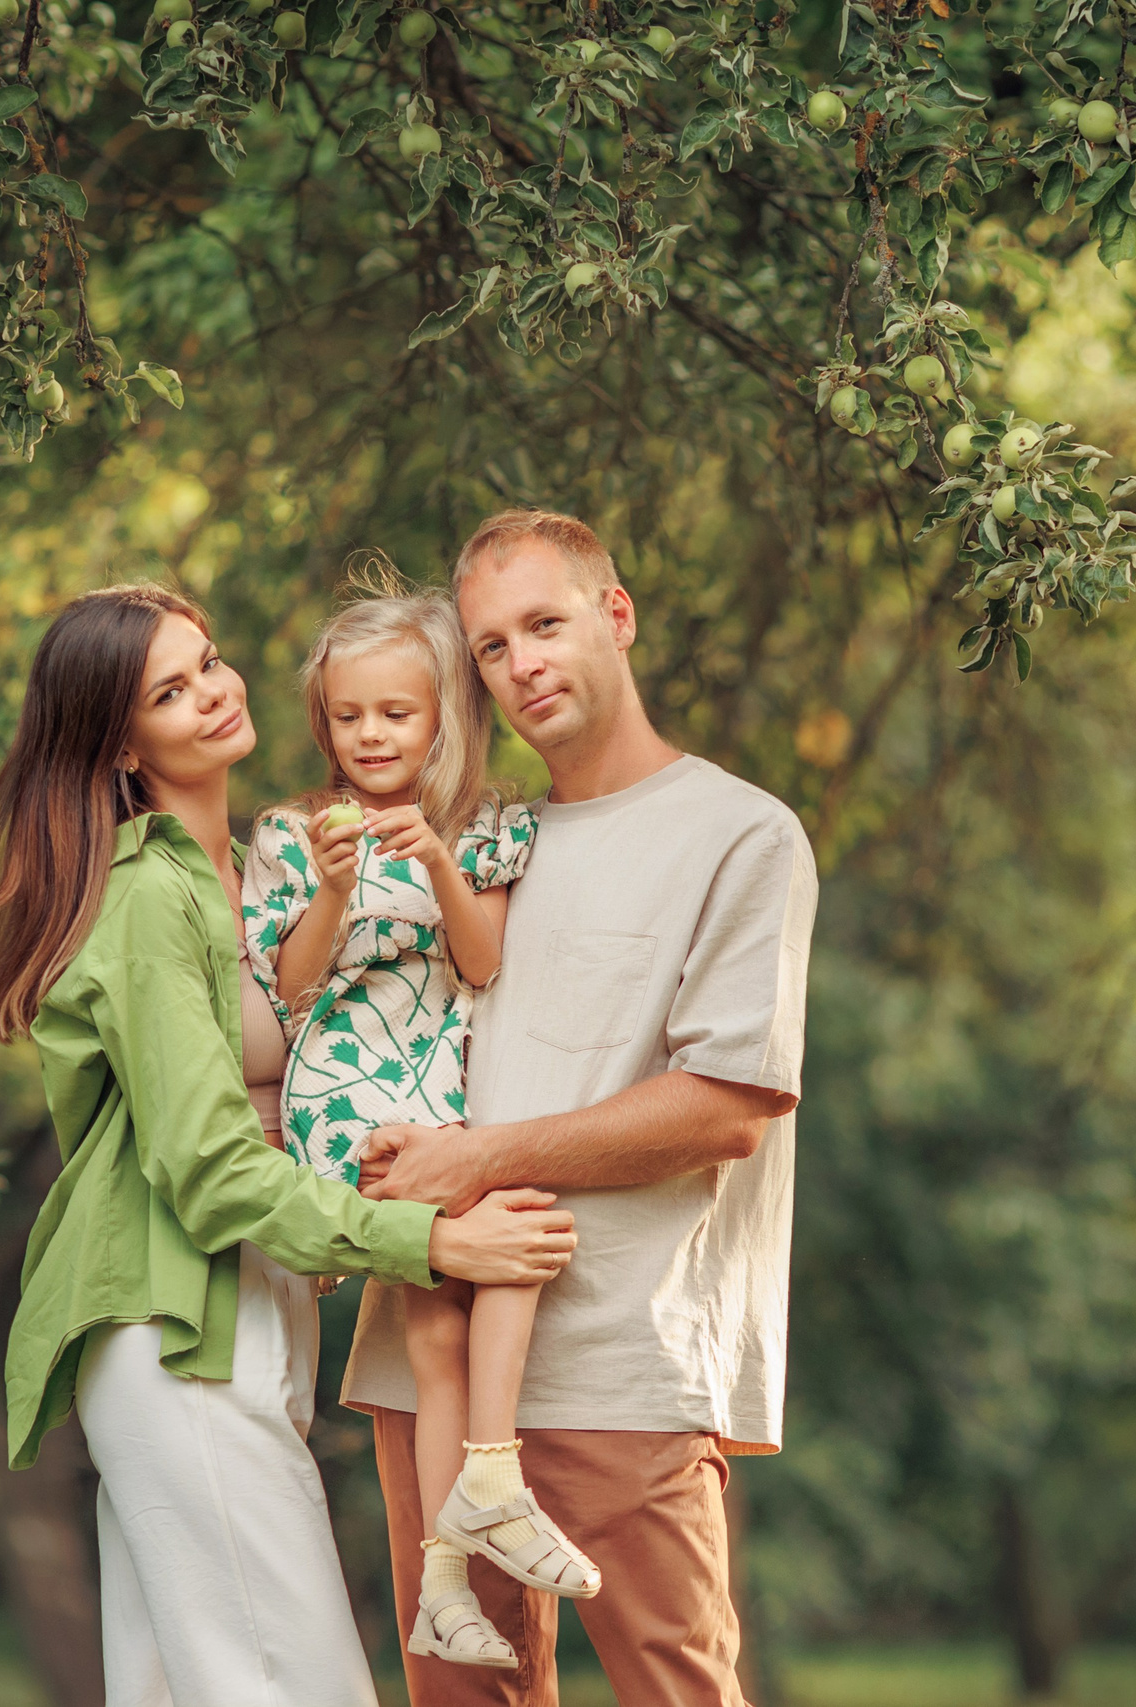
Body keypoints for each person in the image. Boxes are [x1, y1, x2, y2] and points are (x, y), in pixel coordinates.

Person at [0, 582, 581, 1707]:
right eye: (169, 691)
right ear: (117, 744)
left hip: (244, 1317)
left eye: (210, 660)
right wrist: (432, 1243)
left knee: (171, 1688)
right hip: (176, 1333)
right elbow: (207, 1167)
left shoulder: (252, 871)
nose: (212, 694)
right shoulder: (146, 898)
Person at [343, 511, 820, 1707]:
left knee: (679, 1693)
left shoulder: (740, 834)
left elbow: (725, 1108)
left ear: (617, 615)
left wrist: (477, 1158)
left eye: (544, 625)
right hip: (433, 1347)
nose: (522, 666)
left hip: (623, 1356)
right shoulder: (468, 838)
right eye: (492, 648)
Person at [242, 586, 589, 1675]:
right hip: (348, 1099)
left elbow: (482, 963)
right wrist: (337, 893)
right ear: (324, 723)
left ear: (442, 714)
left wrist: (434, 861)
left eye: (395, 714)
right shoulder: (294, 835)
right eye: (348, 718)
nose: (371, 738)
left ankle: (445, 1580)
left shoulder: (485, 828)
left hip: (443, 1099)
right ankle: (494, 1477)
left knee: (439, 1343)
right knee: (518, 1226)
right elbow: (292, 993)